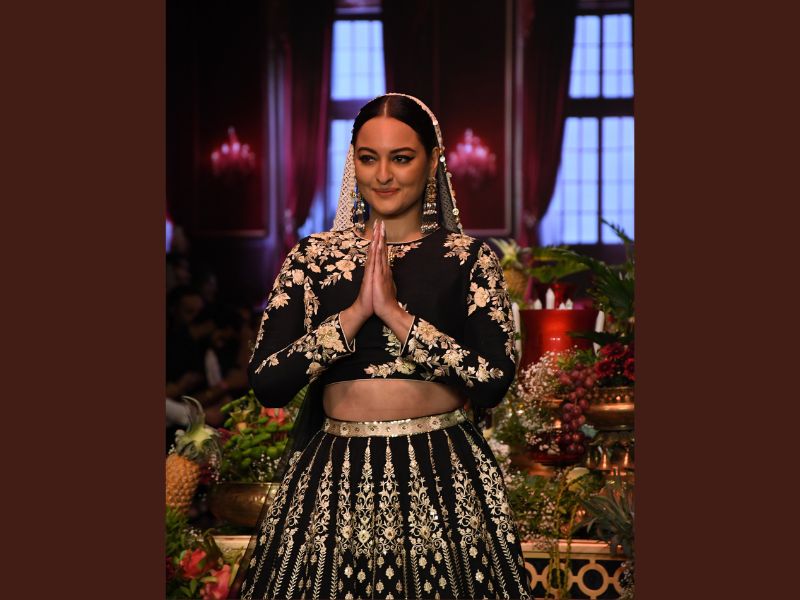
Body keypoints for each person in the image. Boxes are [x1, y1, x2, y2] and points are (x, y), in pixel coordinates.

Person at [236, 93, 533, 599]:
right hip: (335, 476)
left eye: (402, 158)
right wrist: (353, 317)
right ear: (353, 161)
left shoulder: (467, 258)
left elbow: (492, 381)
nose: (384, 175)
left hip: (442, 472)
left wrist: (398, 317)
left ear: (433, 161)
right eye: (369, 158)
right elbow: (266, 382)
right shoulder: (312, 258)